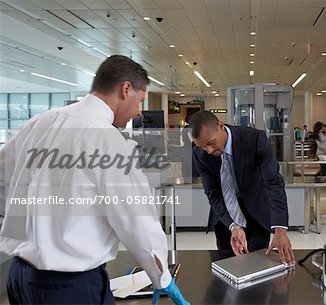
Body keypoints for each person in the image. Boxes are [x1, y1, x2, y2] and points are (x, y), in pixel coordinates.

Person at [0, 55, 189, 305]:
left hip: (19, 278)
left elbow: (3, 184)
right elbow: (136, 218)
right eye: (140, 101)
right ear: (125, 89)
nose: (138, 111)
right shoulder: (107, 139)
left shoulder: (39, 123)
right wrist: (161, 277)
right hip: (68, 287)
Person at [189, 111, 295, 265]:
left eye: (211, 143)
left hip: (256, 213)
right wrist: (233, 226)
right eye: (203, 147)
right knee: (227, 269)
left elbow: (273, 183)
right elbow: (213, 194)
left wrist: (280, 229)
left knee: (257, 268)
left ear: (220, 126)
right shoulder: (199, 154)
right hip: (225, 218)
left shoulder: (255, 139)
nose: (209, 151)